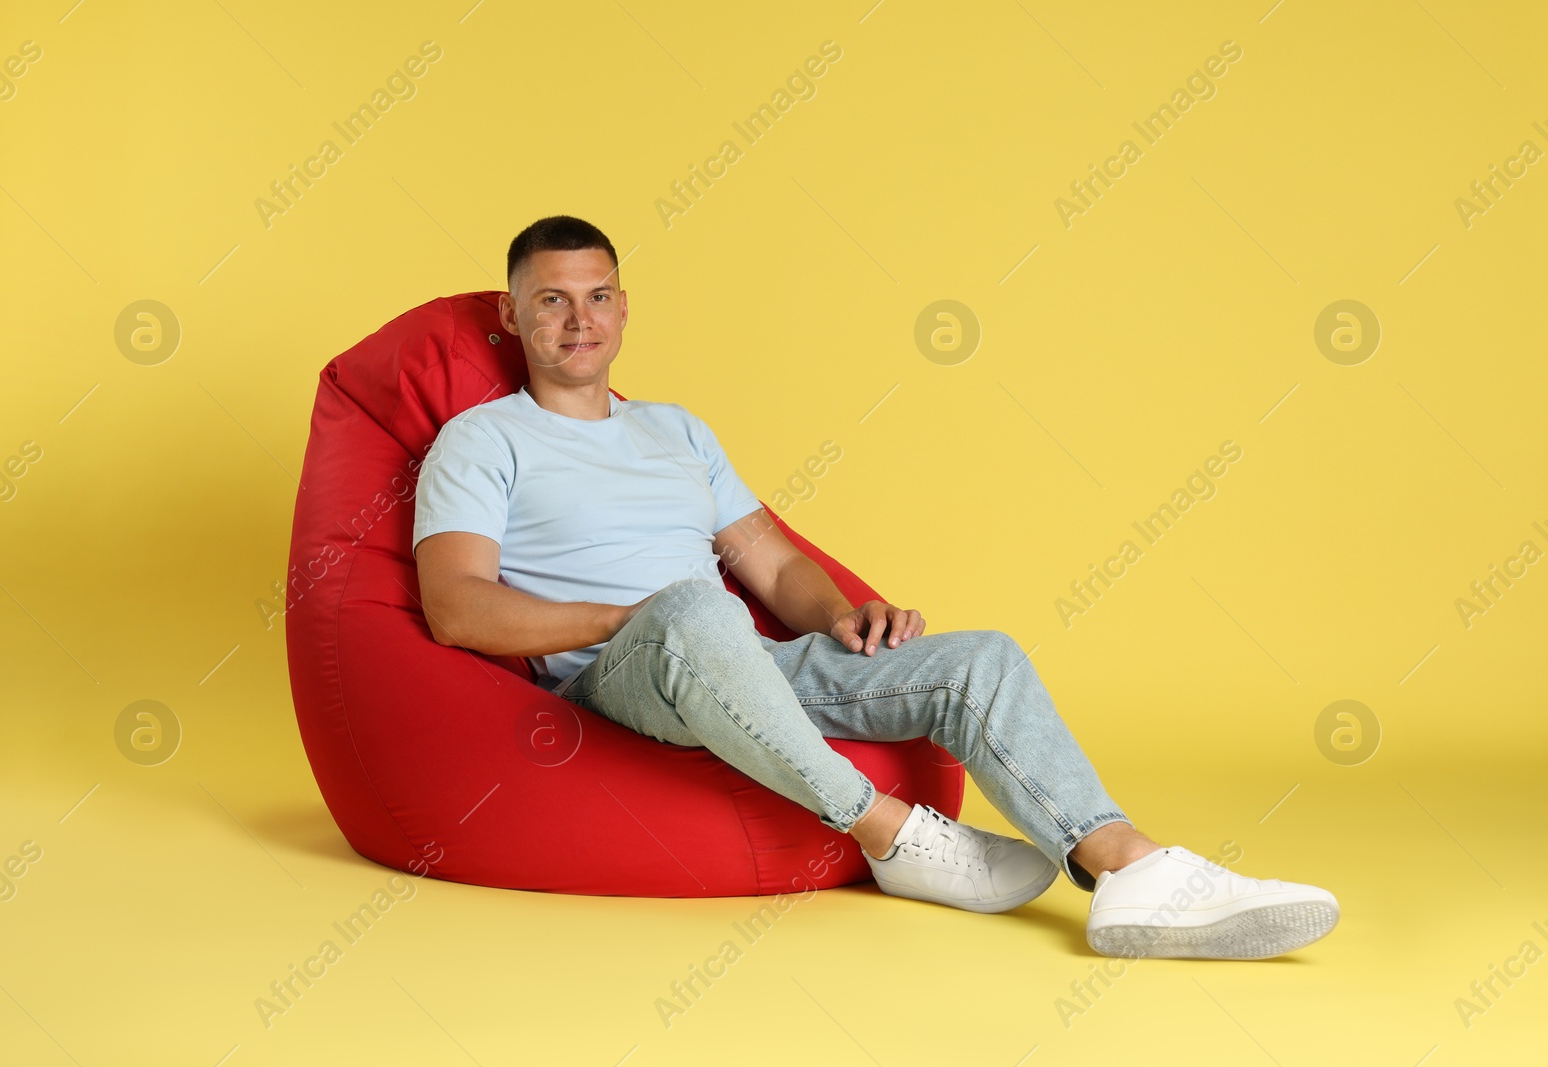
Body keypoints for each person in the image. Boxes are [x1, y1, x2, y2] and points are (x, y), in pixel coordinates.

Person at [412, 215, 1340, 960]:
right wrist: (635, 616)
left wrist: (846, 615)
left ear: (624, 306)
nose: (581, 321)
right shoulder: (483, 440)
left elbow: (770, 562)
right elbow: (456, 605)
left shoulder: (676, 430)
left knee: (983, 660)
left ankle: (1126, 865)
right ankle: (891, 830)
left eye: (599, 296)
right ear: (511, 313)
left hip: (743, 663)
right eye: (553, 301)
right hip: (615, 675)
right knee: (695, 609)